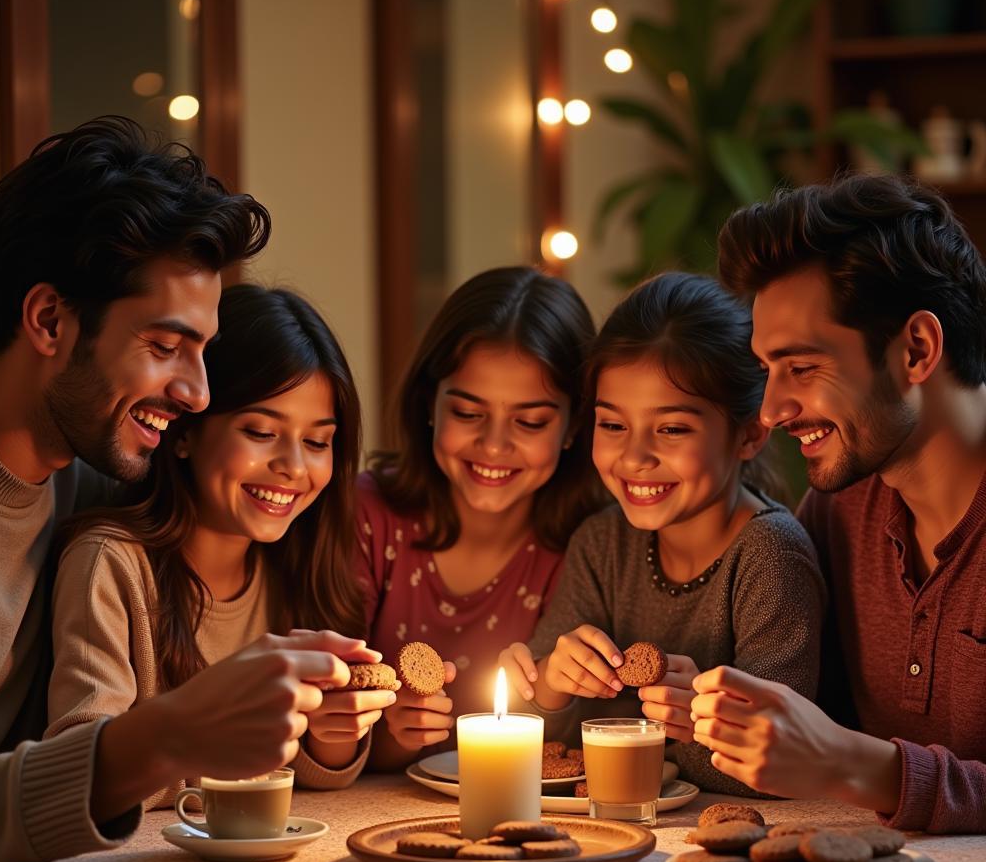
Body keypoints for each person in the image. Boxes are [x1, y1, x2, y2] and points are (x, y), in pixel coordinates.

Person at [0, 117, 347, 862]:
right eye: (166, 346)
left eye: (202, 351)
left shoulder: (105, 480)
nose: (198, 394)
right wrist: (165, 736)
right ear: (47, 320)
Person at [688, 174, 986, 832]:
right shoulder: (839, 510)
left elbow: (832, 753)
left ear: (916, 350)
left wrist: (855, 765)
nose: (771, 410)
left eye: (800, 367)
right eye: (766, 371)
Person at [45, 285, 391, 805]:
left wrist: (329, 740)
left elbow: (309, 775)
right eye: (260, 432)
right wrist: (208, 746)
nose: (295, 467)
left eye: (318, 442)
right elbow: (80, 769)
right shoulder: (111, 563)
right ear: (185, 432)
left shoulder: (299, 568)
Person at [502, 272, 825, 794]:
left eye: (672, 429)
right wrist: (555, 685)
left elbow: (777, 760)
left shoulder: (771, 555)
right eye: (612, 426)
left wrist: (694, 722)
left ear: (747, 435)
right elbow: (537, 738)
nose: (634, 457)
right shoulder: (602, 543)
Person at [357, 266, 600, 769]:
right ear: (429, 404)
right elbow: (320, 734)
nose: (493, 445)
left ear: (575, 424)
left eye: (530, 422)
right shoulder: (367, 516)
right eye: (468, 414)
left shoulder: (592, 548)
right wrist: (394, 734)